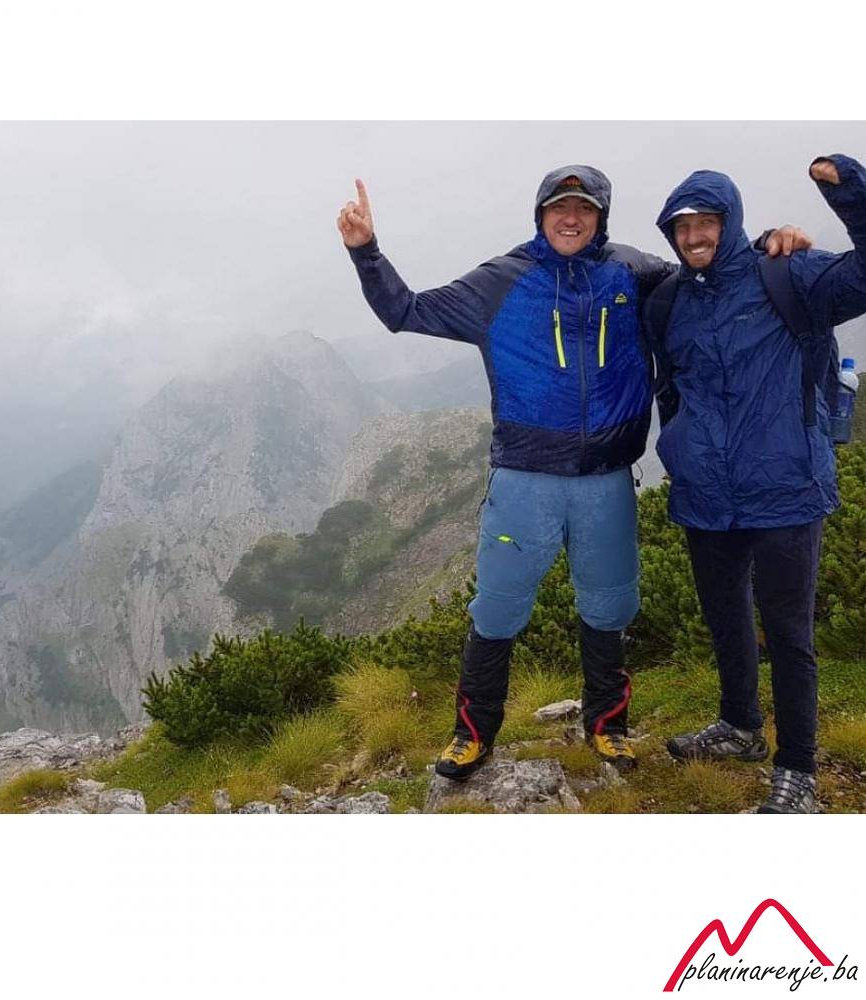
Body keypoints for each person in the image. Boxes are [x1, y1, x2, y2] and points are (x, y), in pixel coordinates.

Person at [337, 168, 804, 781]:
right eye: (559, 207)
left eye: (584, 209)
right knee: (497, 608)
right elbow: (405, 311)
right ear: (541, 215)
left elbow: (706, 271)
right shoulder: (502, 281)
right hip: (523, 480)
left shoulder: (633, 271)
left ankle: (607, 727)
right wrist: (366, 251)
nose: (571, 218)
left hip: (606, 478)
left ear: (600, 218)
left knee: (609, 605)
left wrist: (768, 242)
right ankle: (472, 735)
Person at [649, 154, 866, 813]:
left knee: (789, 634)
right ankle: (739, 727)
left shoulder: (788, 274)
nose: (693, 236)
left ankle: (797, 769)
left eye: (705, 223)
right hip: (706, 494)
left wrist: (849, 192)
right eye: (682, 227)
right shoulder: (671, 302)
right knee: (726, 618)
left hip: (785, 487)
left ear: (731, 222)